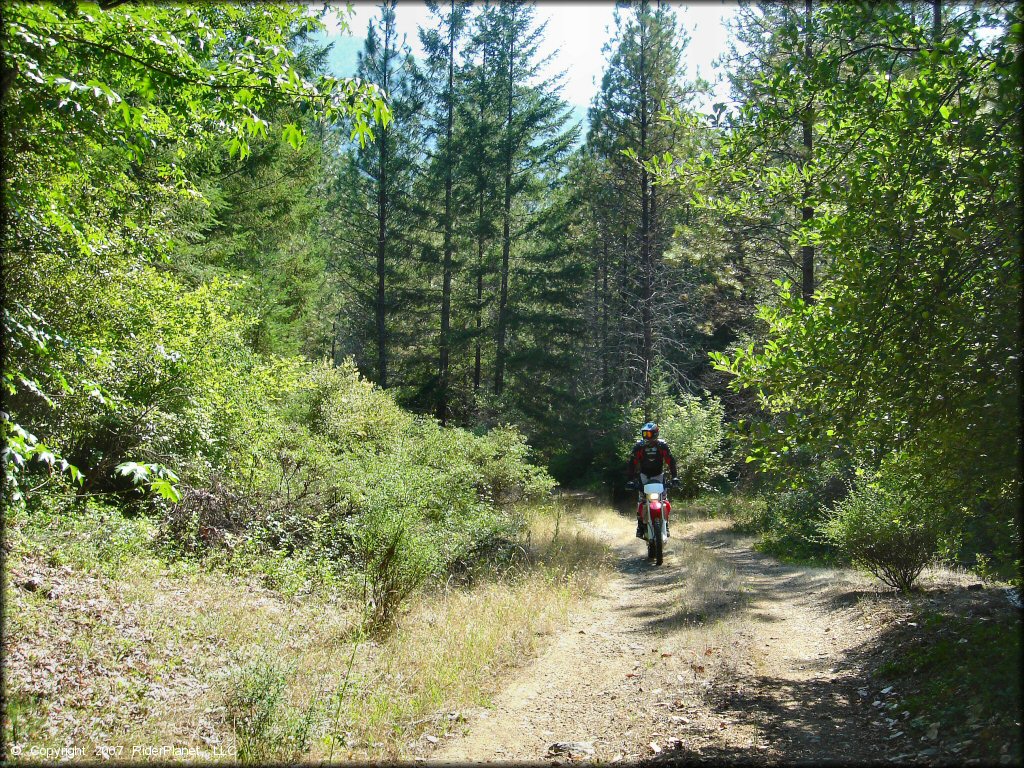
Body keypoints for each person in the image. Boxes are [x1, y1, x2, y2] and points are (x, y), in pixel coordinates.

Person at [626, 422, 678, 539]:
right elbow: (631, 464)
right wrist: (630, 480)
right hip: (644, 477)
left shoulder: (662, 446)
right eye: (644, 434)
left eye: (648, 434)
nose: (646, 437)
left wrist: (674, 477)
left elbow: (671, 461)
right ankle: (640, 526)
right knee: (642, 501)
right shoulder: (639, 446)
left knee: (664, 500)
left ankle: (666, 524)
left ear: (655, 434)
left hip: (659, 476)